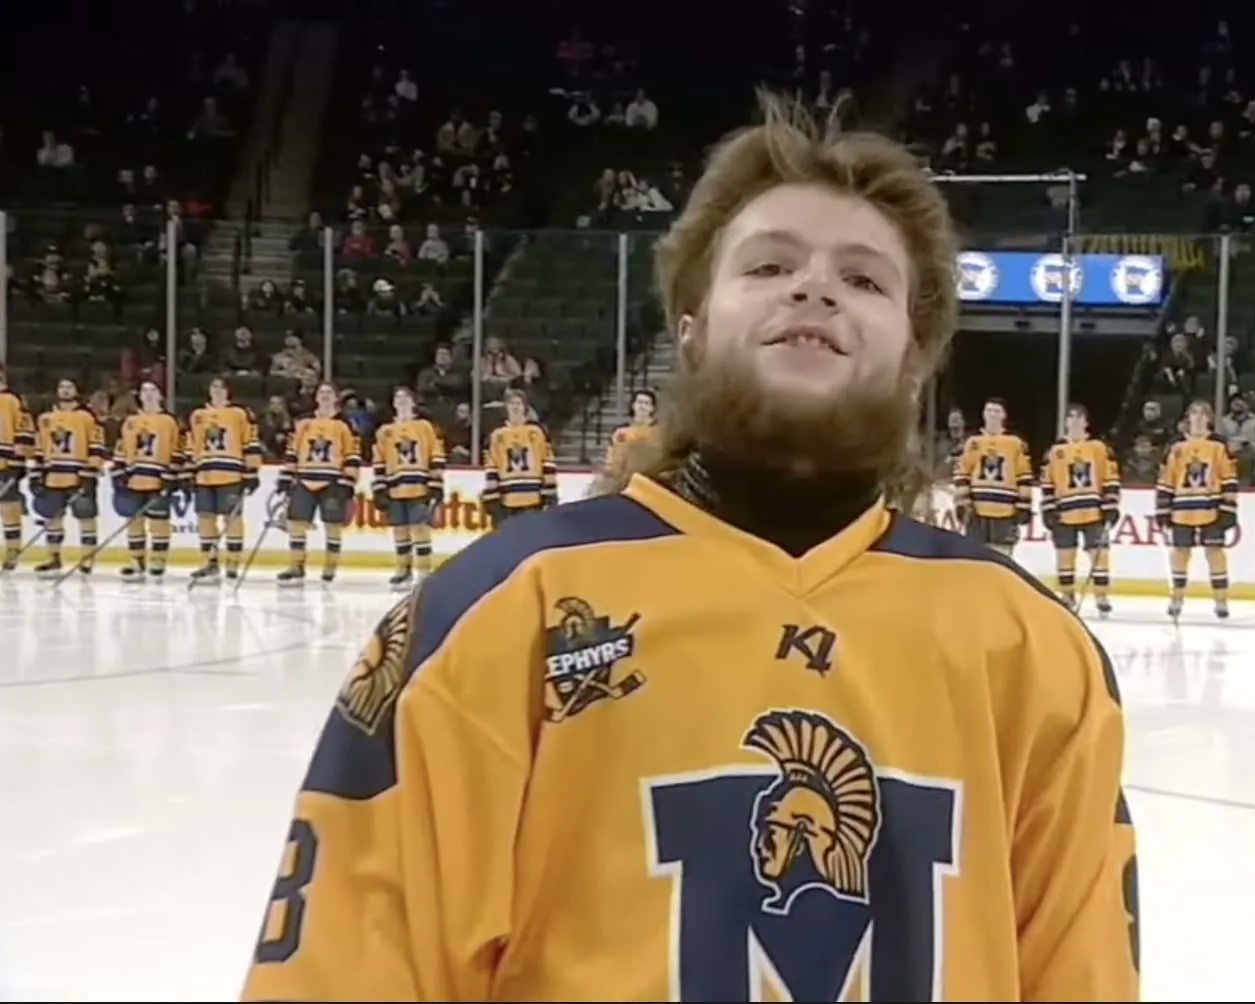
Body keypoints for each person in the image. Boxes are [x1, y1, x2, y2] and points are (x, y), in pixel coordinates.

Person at [242, 93, 1139, 1002]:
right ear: (690, 329)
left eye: (865, 280)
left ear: (915, 357)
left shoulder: (1029, 646)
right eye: (768, 264)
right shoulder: (500, 611)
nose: (814, 288)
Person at [1156, 400, 1237, 620]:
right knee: (1180, 553)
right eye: (1194, 413)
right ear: (1188, 418)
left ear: (1210, 419)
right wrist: (1163, 509)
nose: (1199, 418)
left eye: (1203, 414)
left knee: (1215, 553)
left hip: (1211, 508)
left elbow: (1229, 478)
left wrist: (1229, 508)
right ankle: (1177, 597)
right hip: (1181, 509)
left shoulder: (1219, 446)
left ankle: (1221, 600)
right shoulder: (1175, 446)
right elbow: (1166, 480)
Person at [1039, 403, 1121, 614]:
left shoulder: (1098, 448)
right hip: (1065, 512)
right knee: (1065, 555)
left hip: (1092, 511)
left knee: (1099, 555)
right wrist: (1048, 509)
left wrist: (1110, 505)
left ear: (1086, 422)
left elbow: (1110, 478)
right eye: (1071, 417)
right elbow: (1047, 484)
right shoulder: (1056, 451)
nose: (1075, 421)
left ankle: (1102, 597)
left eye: (1079, 417)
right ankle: (1067, 595)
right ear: (1066, 422)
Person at [276, 382, 361, 585]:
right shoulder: (304, 423)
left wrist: (349, 480)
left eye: (329, 392)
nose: (324, 396)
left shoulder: (345, 425)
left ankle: (330, 568)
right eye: (321, 392)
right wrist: (287, 475)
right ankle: (296, 566)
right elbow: (293, 451)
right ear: (315, 397)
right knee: (296, 523)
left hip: (332, 481)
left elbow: (353, 453)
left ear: (336, 398)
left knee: (333, 525)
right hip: (305, 478)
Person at [186, 376, 261, 583]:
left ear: (229, 391)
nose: (217, 391)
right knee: (205, 518)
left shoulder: (239, 414)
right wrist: (187, 471)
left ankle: (233, 561)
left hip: (231, 473)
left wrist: (251, 471)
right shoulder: (197, 415)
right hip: (204, 474)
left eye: (221, 387)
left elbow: (250, 442)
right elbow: (191, 445)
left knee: (232, 518)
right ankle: (210, 562)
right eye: (214, 386)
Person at [372, 385, 446, 589]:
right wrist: (379, 488)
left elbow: (436, 455)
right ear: (394, 404)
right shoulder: (385, 431)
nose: (402, 402)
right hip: (395, 488)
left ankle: (424, 570)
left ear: (413, 403)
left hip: (419, 487)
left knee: (420, 528)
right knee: (400, 530)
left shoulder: (424, 427)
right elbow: (379, 461)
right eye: (398, 399)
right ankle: (402, 569)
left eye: (406, 398)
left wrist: (436, 484)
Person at [31, 378, 106, 577]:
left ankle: (87, 558)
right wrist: (36, 474)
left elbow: (97, 445)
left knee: (86, 517)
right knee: (53, 518)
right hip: (53, 475)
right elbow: (40, 448)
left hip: (79, 475)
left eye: (69, 387)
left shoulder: (87, 416)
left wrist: (89, 473)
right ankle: (53, 557)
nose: (64, 391)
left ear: (77, 390)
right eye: (61, 387)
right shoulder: (45, 417)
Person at [111, 380, 185, 581]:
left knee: (159, 522)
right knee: (134, 520)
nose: (148, 394)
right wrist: (119, 474)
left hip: (158, 478)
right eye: (144, 390)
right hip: (135, 478)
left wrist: (172, 476)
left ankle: (158, 561)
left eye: (153, 390)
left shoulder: (169, 421)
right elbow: (121, 450)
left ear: (161, 396)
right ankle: (137, 561)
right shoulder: (130, 421)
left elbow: (177, 450)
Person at [952, 397, 1034, 556]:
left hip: (1005, 510)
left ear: (1004, 415)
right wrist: (962, 503)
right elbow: (962, 475)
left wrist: (1023, 506)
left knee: (1002, 555)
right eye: (989, 410)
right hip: (977, 510)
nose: (992, 415)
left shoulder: (1015, 443)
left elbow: (1024, 477)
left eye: (996, 411)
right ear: (983, 414)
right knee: (975, 555)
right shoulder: (973, 442)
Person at [480, 388, 556, 526]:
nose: (515, 407)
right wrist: (492, 496)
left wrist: (549, 493)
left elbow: (547, 462)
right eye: (512, 403)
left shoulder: (536, 432)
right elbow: (492, 467)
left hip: (533, 498)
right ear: (506, 408)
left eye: (519, 403)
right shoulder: (498, 435)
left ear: (525, 408)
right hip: (508, 499)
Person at [0, 364, 36, 571]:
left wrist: (18, 463)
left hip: (5, 464)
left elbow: (24, 430)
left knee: (8, 509)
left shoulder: (13, 401)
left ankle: (12, 550)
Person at [605, 387, 660, 471]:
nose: (642, 406)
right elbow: (611, 456)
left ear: (652, 408)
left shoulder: (659, 432)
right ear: (633, 405)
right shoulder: (620, 431)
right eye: (639, 402)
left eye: (647, 403)